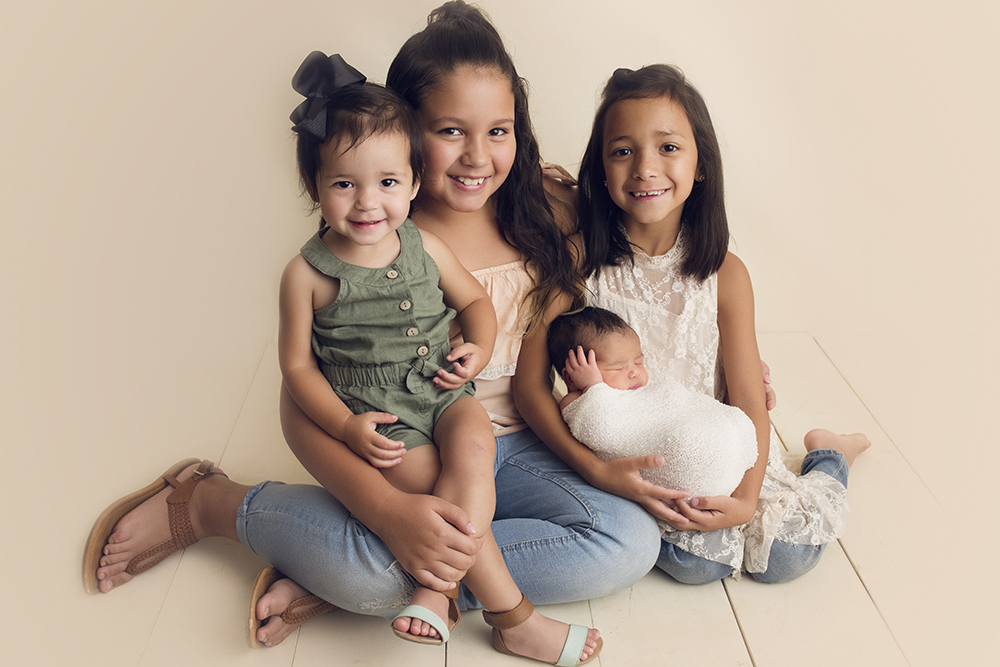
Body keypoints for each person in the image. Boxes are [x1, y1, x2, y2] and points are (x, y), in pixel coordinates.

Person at [84, 3, 655, 664]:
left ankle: (407, 581)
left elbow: (660, 241)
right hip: (400, 455)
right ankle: (211, 503)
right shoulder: (365, 247)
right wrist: (384, 511)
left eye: (499, 130)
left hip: (513, 449)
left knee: (629, 539)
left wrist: (724, 370)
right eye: (449, 131)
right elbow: (298, 402)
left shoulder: (550, 211)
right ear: (403, 132)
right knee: (371, 571)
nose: (478, 156)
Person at [277, 50, 601, 660]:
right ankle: (510, 615)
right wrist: (349, 428)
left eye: (387, 183)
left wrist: (475, 350)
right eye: (344, 184)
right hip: (391, 426)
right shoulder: (309, 273)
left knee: (611, 534)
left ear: (410, 177)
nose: (368, 202)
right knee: (430, 501)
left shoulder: (445, 239)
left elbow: (477, 303)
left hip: (461, 405)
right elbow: (296, 372)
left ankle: (432, 584)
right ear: (315, 186)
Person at [515, 64, 871, 584]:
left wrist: (747, 499)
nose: (644, 168)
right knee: (692, 564)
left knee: (787, 557)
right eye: (622, 151)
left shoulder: (725, 273)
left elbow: (749, 399)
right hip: (633, 461)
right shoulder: (577, 261)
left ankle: (832, 453)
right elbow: (529, 387)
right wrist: (594, 470)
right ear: (600, 168)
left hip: (718, 449)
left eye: (668, 147)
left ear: (700, 164)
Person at [548, 306, 757, 500]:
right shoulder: (577, 401)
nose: (634, 372)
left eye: (638, 362)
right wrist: (592, 387)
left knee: (718, 416)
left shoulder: (638, 390)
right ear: (572, 377)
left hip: (709, 438)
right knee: (685, 441)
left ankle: (728, 439)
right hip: (686, 453)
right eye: (618, 367)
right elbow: (598, 428)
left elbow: (669, 406)